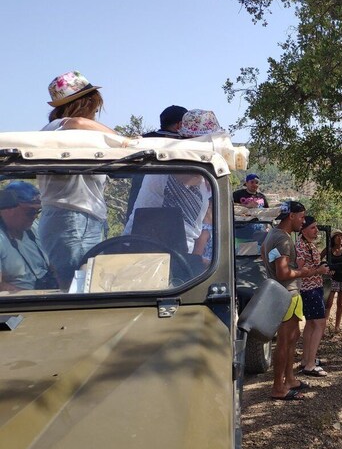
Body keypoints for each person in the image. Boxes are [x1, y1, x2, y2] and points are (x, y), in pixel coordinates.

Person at [38, 71, 113, 290]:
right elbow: (78, 122)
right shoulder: (60, 127)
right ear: (85, 103)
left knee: (84, 284)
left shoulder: (68, 134)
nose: (95, 112)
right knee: (78, 287)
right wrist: (122, 140)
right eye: (94, 106)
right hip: (72, 217)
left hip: (79, 217)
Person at [124, 110, 219, 255]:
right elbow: (184, 178)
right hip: (144, 249)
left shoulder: (206, 175)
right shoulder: (167, 168)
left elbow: (200, 225)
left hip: (181, 253)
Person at [261, 201, 329, 400]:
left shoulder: (273, 235)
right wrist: (305, 271)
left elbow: (269, 257)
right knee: (284, 342)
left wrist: (290, 265)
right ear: (291, 216)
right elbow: (283, 272)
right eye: (301, 217)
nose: (303, 221)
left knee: (292, 339)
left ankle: (289, 379)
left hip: (285, 294)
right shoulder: (283, 240)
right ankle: (278, 388)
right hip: (287, 295)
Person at [0, 182, 56, 291]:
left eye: (37, 211)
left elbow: (53, 266)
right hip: (21, 302)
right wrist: (31, 297)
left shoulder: (35, 227)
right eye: (30, 211)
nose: (35, 216)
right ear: (8, 209)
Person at [295, 216, 329, 377]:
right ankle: (310, 365)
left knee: (310, 324)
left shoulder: (308, 244)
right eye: (313, 228)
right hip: (310, 289)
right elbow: (300, 271)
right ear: (304, 230)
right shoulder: (301, 247)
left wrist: (321, 270)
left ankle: (306, 359)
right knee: (320, 324)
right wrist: (318, 271)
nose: (316, 230)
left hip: (314, 287)